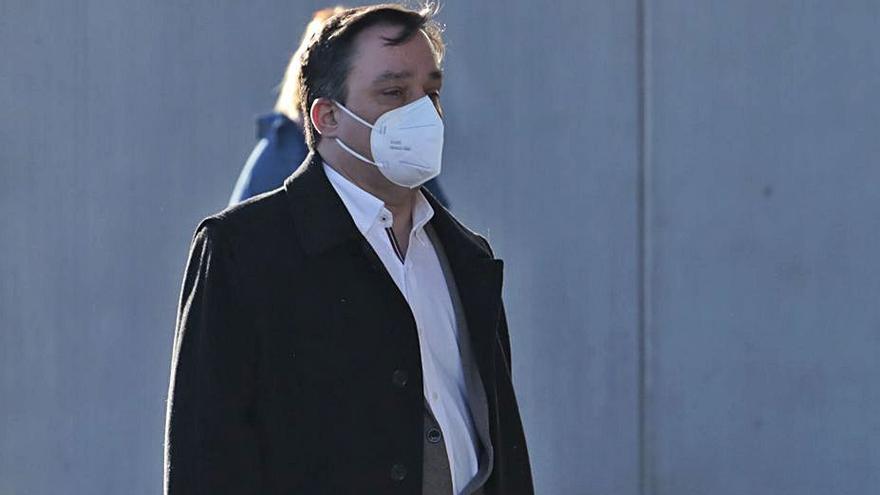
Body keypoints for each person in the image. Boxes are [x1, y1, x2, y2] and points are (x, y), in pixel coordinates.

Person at [164, 4, 533, 494]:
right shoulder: (242, 252)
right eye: (393, 93)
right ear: (327, 116)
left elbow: (499, 445)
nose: (422, 112)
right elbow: (205, 459)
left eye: (431, 92)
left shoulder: (468, 258)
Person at [228, 6, 451, 208]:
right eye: (393, 92)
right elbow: (244, 234)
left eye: (431, 94)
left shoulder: (402, 148)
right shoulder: (282, 150)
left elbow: (436, 214)